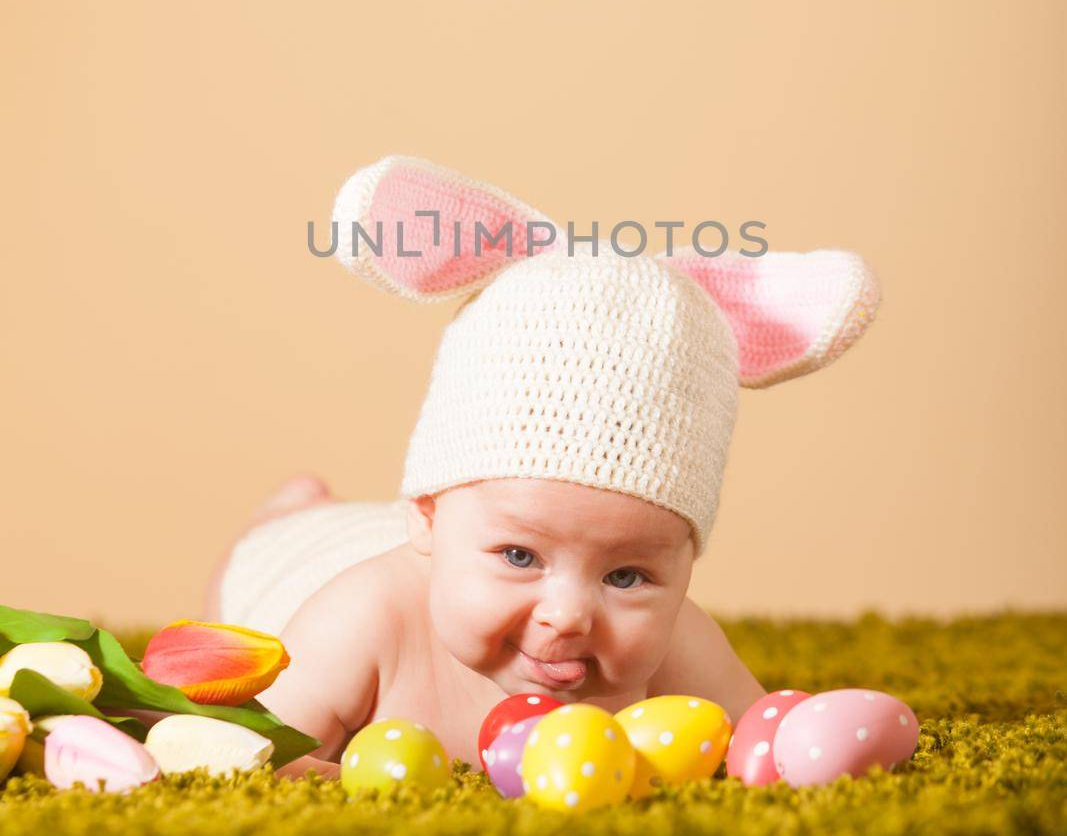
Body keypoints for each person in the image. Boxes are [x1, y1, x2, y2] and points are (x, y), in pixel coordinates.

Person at [204, 155, 880, 777]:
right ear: (429, 517)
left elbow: (761, 739)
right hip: (304, 559)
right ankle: (292, 507)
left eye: (625, 575)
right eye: (519, 557)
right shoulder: (359, 621)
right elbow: (250, 753)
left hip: (428, 534)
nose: (567, 616)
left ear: (683, 565)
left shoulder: (680, 643)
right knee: (272, 545)